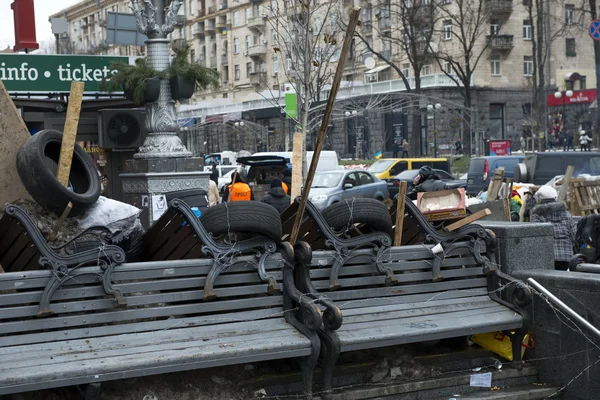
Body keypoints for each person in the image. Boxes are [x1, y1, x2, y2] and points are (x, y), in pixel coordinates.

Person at [530, 186, 575, 271]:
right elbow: (574, 235)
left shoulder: (536, 214)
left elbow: (535, 237)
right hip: (566, 255)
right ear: (555, 197)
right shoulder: (566, 213)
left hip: (546, 256)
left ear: (539, 198)